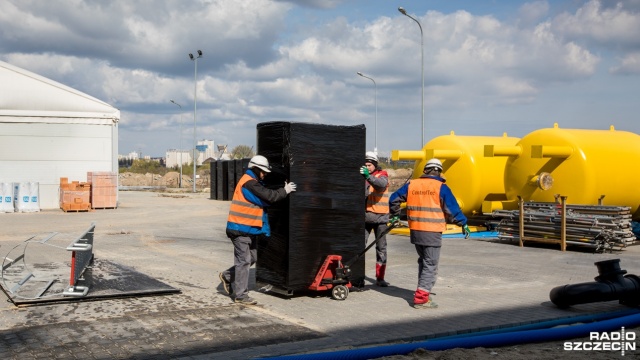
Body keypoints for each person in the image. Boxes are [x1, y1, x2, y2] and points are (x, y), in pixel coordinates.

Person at [389, 158, 470, 309]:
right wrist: (463, 223)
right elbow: (452, 209)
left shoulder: (412, 184)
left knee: (424, 261)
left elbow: (394, 199)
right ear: (439, 171)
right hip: (431, 231)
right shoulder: (441, 187)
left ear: (425, 170)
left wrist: (394, 215)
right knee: (430, 264)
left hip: (415, 230)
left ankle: (422, 291)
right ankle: (421, 299)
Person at [218, 155, 297, 305]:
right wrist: (285, 191)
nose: (264, 174)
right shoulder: (249, 184)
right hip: (239, 229)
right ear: (255, 168)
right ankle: (241, 296)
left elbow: (265, 196)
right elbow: (269, 197)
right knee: (244, 261)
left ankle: (228, 276)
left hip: (249, 229)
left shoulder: (253, 182)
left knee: (252, 258)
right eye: (263, 171)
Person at [360, 151, 391, 287]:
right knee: (360, 246)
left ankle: (380, 278)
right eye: (365, 165)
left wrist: (368, 177)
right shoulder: (362, 177)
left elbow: (380, 185)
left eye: (370, 165)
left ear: (375, 165)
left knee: (381, 249)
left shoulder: (382, 175)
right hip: (366, 217)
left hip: (381, 218)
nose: (367, 167)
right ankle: (357, 276)